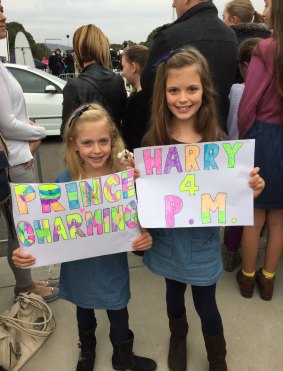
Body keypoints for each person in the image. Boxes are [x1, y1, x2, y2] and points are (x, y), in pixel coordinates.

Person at [139, 47, 265, 371]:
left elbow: (232, 199)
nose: (183, 98)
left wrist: (250, 189)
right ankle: (178, 337)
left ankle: (217, 358)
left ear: (204, 90)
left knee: (206, 305)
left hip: (203, 242)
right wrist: (135, 183)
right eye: (174, 90)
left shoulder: (218, 142)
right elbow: (142, 200)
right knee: (172, 295)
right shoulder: (154, 142)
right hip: (168, 240)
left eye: (191, 89)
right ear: (162, 93)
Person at [13, 103, 157, 371]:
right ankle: (86, 352)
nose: (97, 149)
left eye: (103, 141)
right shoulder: (64, 182)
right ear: (74, 144)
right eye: (88, 142)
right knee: (84, 312)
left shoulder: (122, 178)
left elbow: (135, 220)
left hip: (111, 266)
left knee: (118, 312)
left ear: (113, 140)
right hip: (79, 268)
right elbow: (45, 230)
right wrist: (27, 251)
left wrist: (143, 236)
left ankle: (123, 356)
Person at [0, 0, 59, 302]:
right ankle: (25, 286)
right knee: (21, 229)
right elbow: (7, 123)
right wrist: (38, 131)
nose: (4, 16)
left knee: (18, 228)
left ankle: (25, 283)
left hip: (12, 158)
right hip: (13, 161)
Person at [236, 0, 283, 301]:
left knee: (254, 215)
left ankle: (248, 277)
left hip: (263, 136)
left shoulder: (266, 48)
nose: (264, 9)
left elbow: (248, 103)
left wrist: (243, 138)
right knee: (279, 218)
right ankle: (269, 280)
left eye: (267, 3)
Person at [141, 0, 238, 132]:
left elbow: (148, 85)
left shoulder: (170, 36)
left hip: (173, 134)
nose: (173, 4)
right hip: (218, 131)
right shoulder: (231, 35)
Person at [223, 37, 263, 272]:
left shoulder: (236, 90)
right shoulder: (267, 94)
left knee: (232, 204)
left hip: (232, 150)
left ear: (246, 65)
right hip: (253, 154)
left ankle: (230, 249)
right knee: (244, 206)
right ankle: (233, 248)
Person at [61, 24, 127, 138]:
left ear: (78, 49)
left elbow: (66, 132)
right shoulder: (117, 80)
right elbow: (122, 119)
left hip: (89, 152)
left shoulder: (73, 86)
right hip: (115, 148)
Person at [222, 0, 271, 83]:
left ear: (234, 20)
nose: (222, 22)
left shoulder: (228, 44)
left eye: (224, 18)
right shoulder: (269, 39)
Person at [121, 45, 150, 152]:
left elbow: (130, 139)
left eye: (123, 66)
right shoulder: (156, 96)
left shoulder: (135, 102)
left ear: (133, 67)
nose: (122, 72)